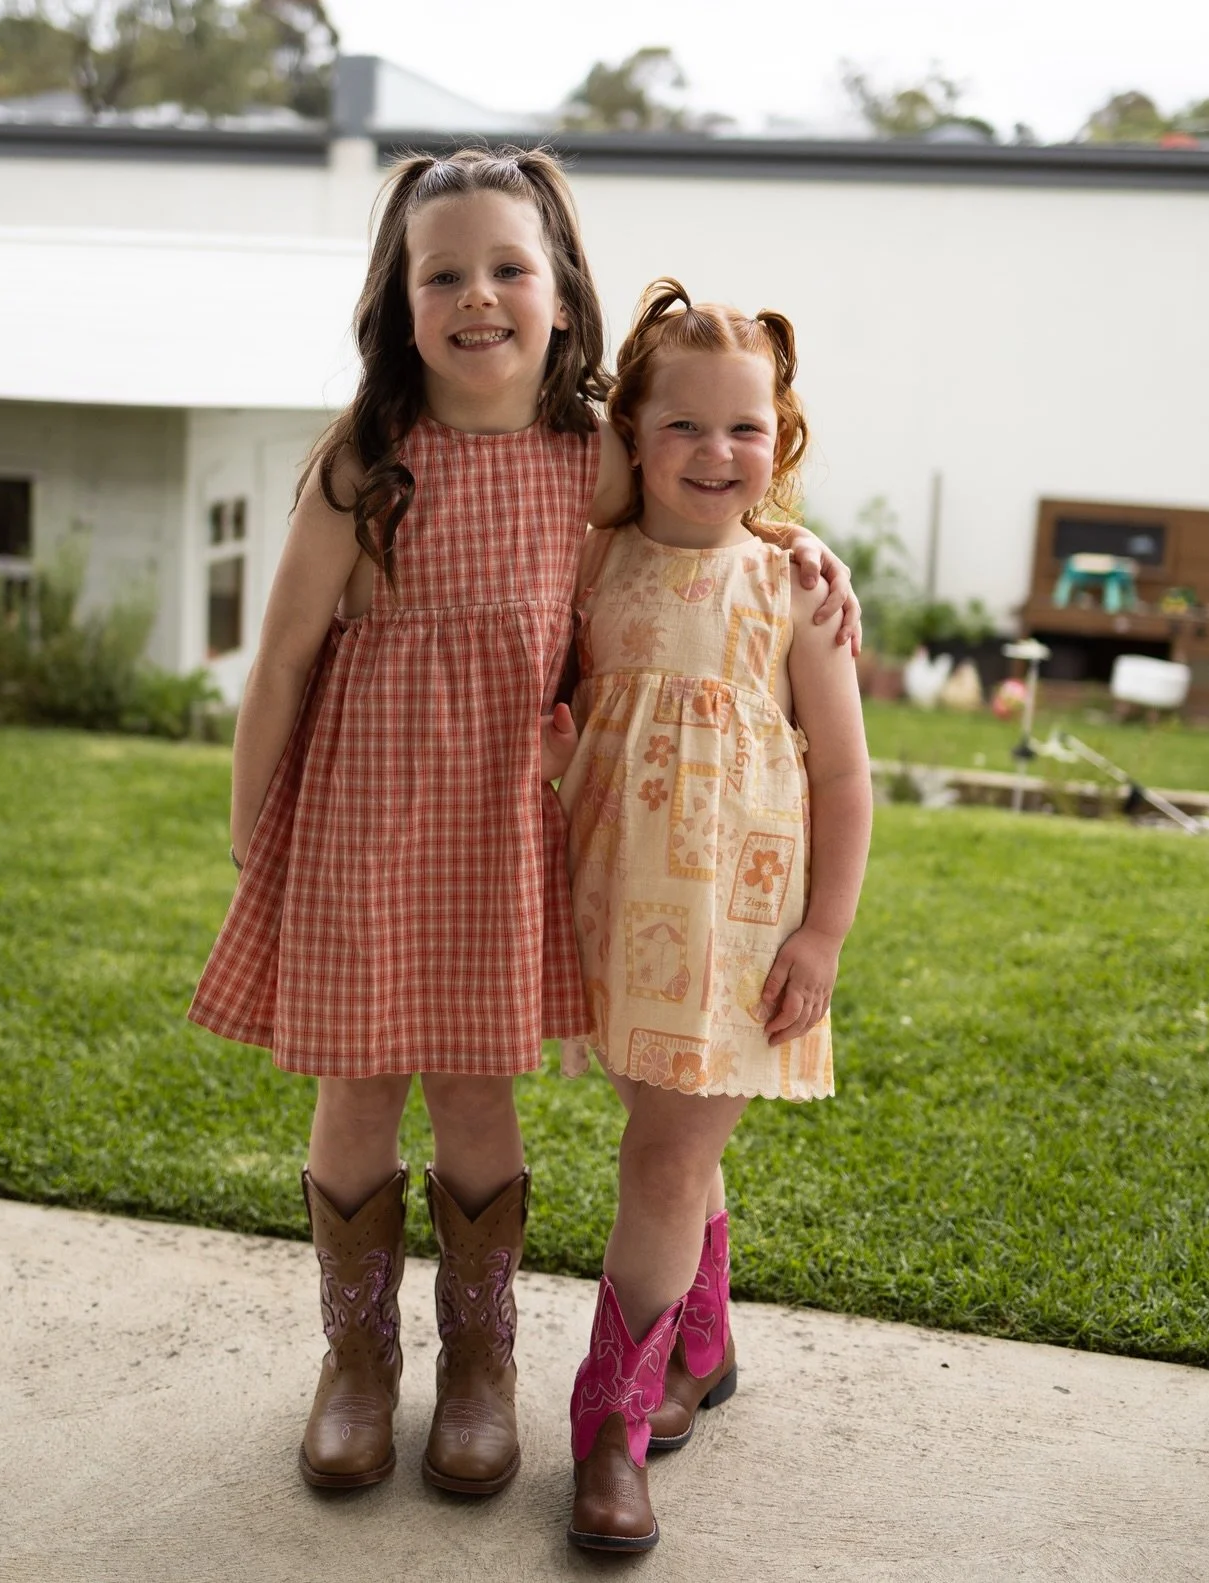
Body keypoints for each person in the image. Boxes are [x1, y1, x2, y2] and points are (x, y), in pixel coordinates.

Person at [188, 152, 860, 1499]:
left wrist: (799, 545)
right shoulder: (363, 461)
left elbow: (704, 484)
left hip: (507, 825)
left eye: (510, 268)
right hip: (363, 820)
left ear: (562, 297)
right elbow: (278, 660)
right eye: (444, 272)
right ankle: (359, 1360)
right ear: (400, 296)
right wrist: (254, 830)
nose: (478, 295)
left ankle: (481, 1367)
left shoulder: (588, 448)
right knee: (357, 1084)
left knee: (478, 1090)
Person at [549, 280, 873, 1552]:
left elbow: (845, 774)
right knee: (663, 1137)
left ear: (778, 438)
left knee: (664, 1158)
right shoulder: (597, 561)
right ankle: (705, 1336)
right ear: (630, 430)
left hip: (737, 933)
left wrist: (823, 934)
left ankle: (610, 1428)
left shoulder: (794, 588)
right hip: (619, 905)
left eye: (746, 429)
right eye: (682, 426)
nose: (716, 453)